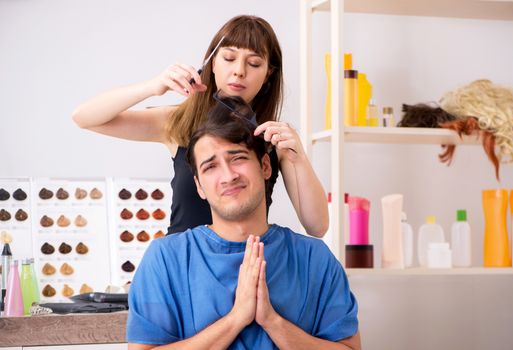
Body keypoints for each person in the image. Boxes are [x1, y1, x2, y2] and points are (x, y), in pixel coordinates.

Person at [126, 97, 361, 350]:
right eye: (211, 166)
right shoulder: (165, 259)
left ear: (265, 166)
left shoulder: (314, 259)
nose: (228, 175)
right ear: (199, 187)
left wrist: (272, 322)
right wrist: (236, 318)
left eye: (237, 158)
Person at [72, 15, 328, 237]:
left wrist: (299, 156)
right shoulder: (178, 122)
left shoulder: (274, 139)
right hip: (180, 272)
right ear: (212, 63)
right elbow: (84, 117)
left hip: (246, 268)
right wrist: (153, 87)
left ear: (269, 73)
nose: (239, 71)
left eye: (254, 63)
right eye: (229, 58)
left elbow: (317, 227)